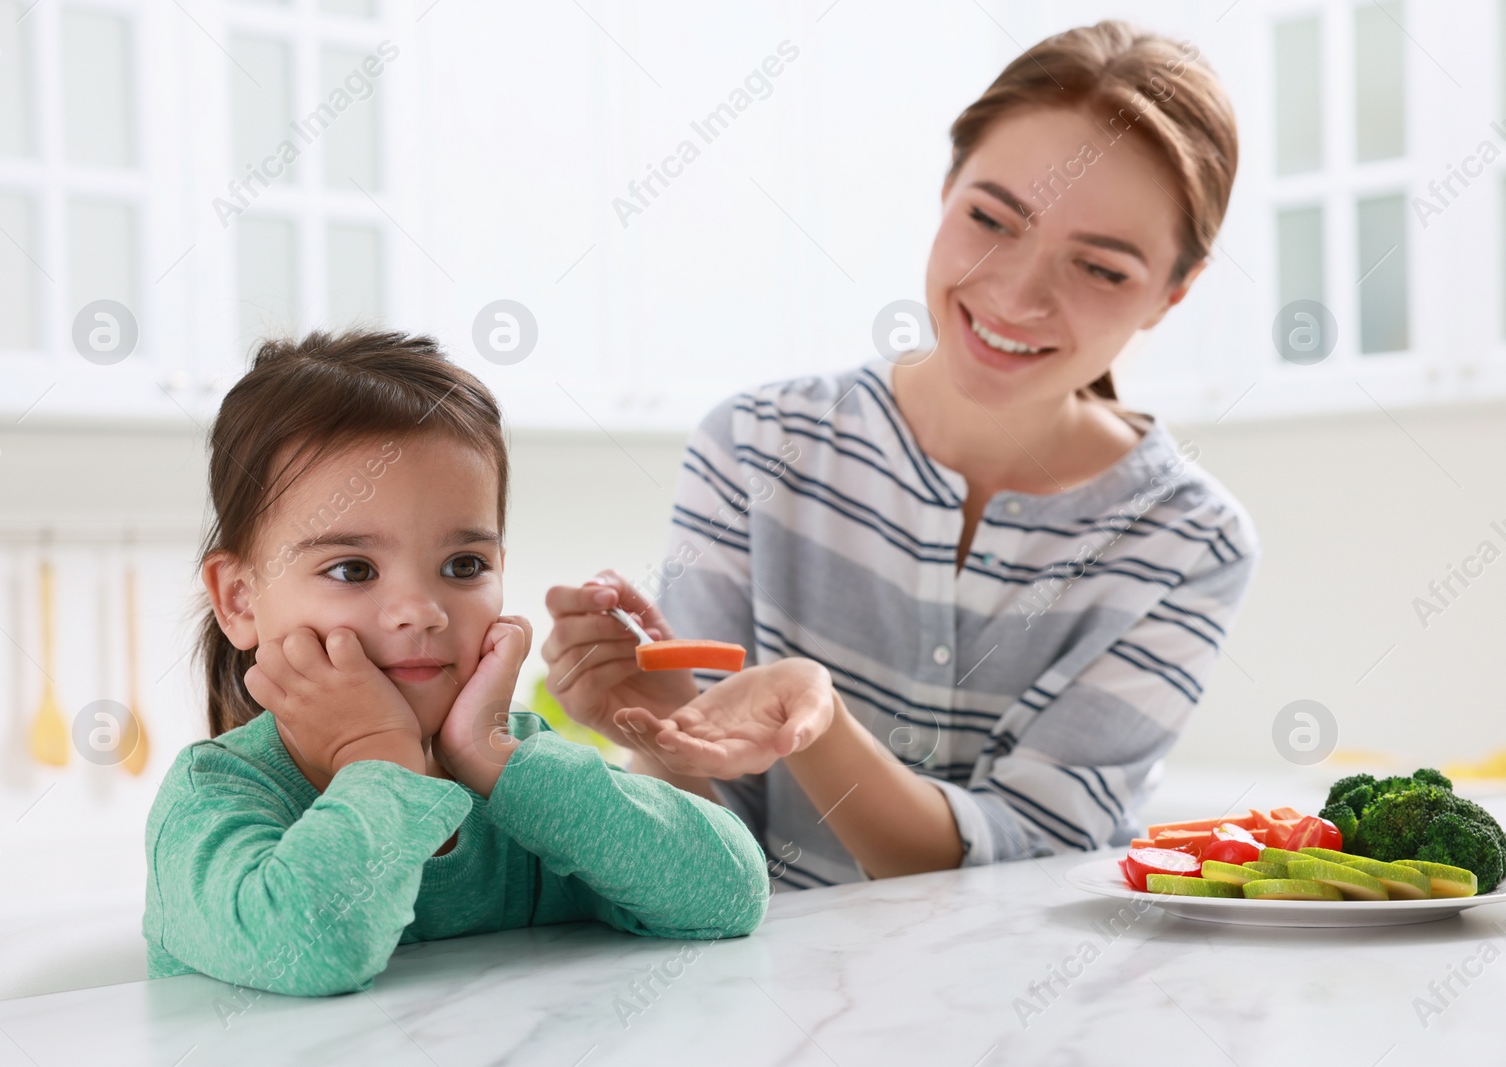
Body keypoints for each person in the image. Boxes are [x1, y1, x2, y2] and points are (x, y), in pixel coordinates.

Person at [542, 21, 1259, 889]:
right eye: (992, 218)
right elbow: (711, 843)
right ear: (948, 186)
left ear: (1172, 294)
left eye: (1101, 269)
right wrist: (658, 729)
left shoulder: (1189, 538)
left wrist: (817, 721)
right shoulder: (755, 447)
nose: (1017, 293)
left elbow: (1032, 855)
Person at [143, 330, 769, 996]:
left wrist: (497, 760)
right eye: (352, 569)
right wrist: (377, 755)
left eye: (463, 565)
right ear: (240, 599)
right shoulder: (212, 795)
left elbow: (730, 896)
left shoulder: (523, 776)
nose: (421, 611)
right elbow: (314, 945)